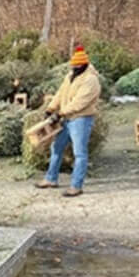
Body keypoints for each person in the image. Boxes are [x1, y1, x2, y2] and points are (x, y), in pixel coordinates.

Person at [36, 45, 101, 197]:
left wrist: (60, 113)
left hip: (81, 119)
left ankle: (76, 186)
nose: (75, 67)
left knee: (79, 153)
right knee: (56, 148)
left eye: (77, 65)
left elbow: (80, 102)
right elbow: (60, 93)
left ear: (84, 64)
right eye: (73, 65)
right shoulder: (70, 75)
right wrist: (50, 108)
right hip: (66, 119)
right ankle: (51, 179)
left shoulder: (91, 80)